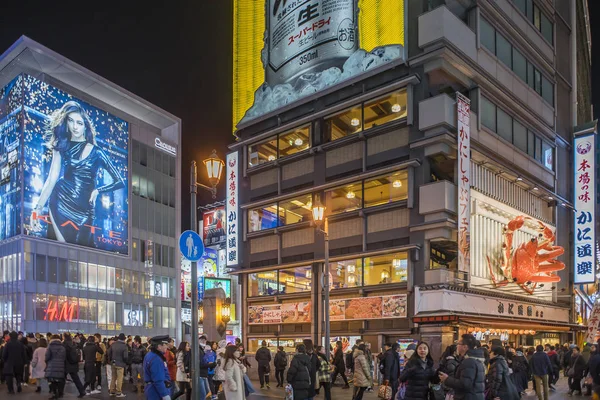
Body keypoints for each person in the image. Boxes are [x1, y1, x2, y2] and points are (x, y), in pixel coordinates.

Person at [31, 100, 125, 246]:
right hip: (61, 202)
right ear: (66, 122)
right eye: (71, 121)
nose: (75, 127)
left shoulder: (97, 152)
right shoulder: (61, 146)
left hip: (86, 209)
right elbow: (51, 179)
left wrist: (98, 190)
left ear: (85, 126)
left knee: (83, 254)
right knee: (63, 253)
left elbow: (119, 181)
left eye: (79, 123)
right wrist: (37, 209)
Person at [439, 334, 485, 400]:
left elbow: (465, 384)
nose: (457, 346)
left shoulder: (469, 362)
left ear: (464, 347)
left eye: (458, 344)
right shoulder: (476, 360)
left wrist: (447, 379)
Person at [144, 335, 172, 400]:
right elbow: (158, 380)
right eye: (165, 345)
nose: (167, 347)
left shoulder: (150, 355)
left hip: (151, 389)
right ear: (159, 346)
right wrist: (165, 395)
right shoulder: (156, 359)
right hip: (156, 391)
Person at [63, 333, 86, 398]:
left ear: (64, 337)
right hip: (74, 364)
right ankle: (82, 391)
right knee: (76, 379)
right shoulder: (74, 344)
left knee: (62, 379)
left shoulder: (64, 344)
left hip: (66, 364)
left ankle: (59, 392)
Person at [45, 334, 67, 400]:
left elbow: (47, 357)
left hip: (52, 365)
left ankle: (55, 394)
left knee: (52, 380)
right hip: (61, 365)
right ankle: (60, 393)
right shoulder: (62, 347)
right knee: (60, 380)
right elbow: (64, 357)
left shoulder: (50, 346)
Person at [108, 333, 130, 397]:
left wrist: (111, 360)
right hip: (120, 363)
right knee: (120, 378)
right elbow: (125, 357)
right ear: (124, 339)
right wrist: (125, 362)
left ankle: (112, 391)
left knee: (113, 377)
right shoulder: (124, 346)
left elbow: (109, 353)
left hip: (113, 363)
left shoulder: (113, 344)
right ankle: (118, 392)